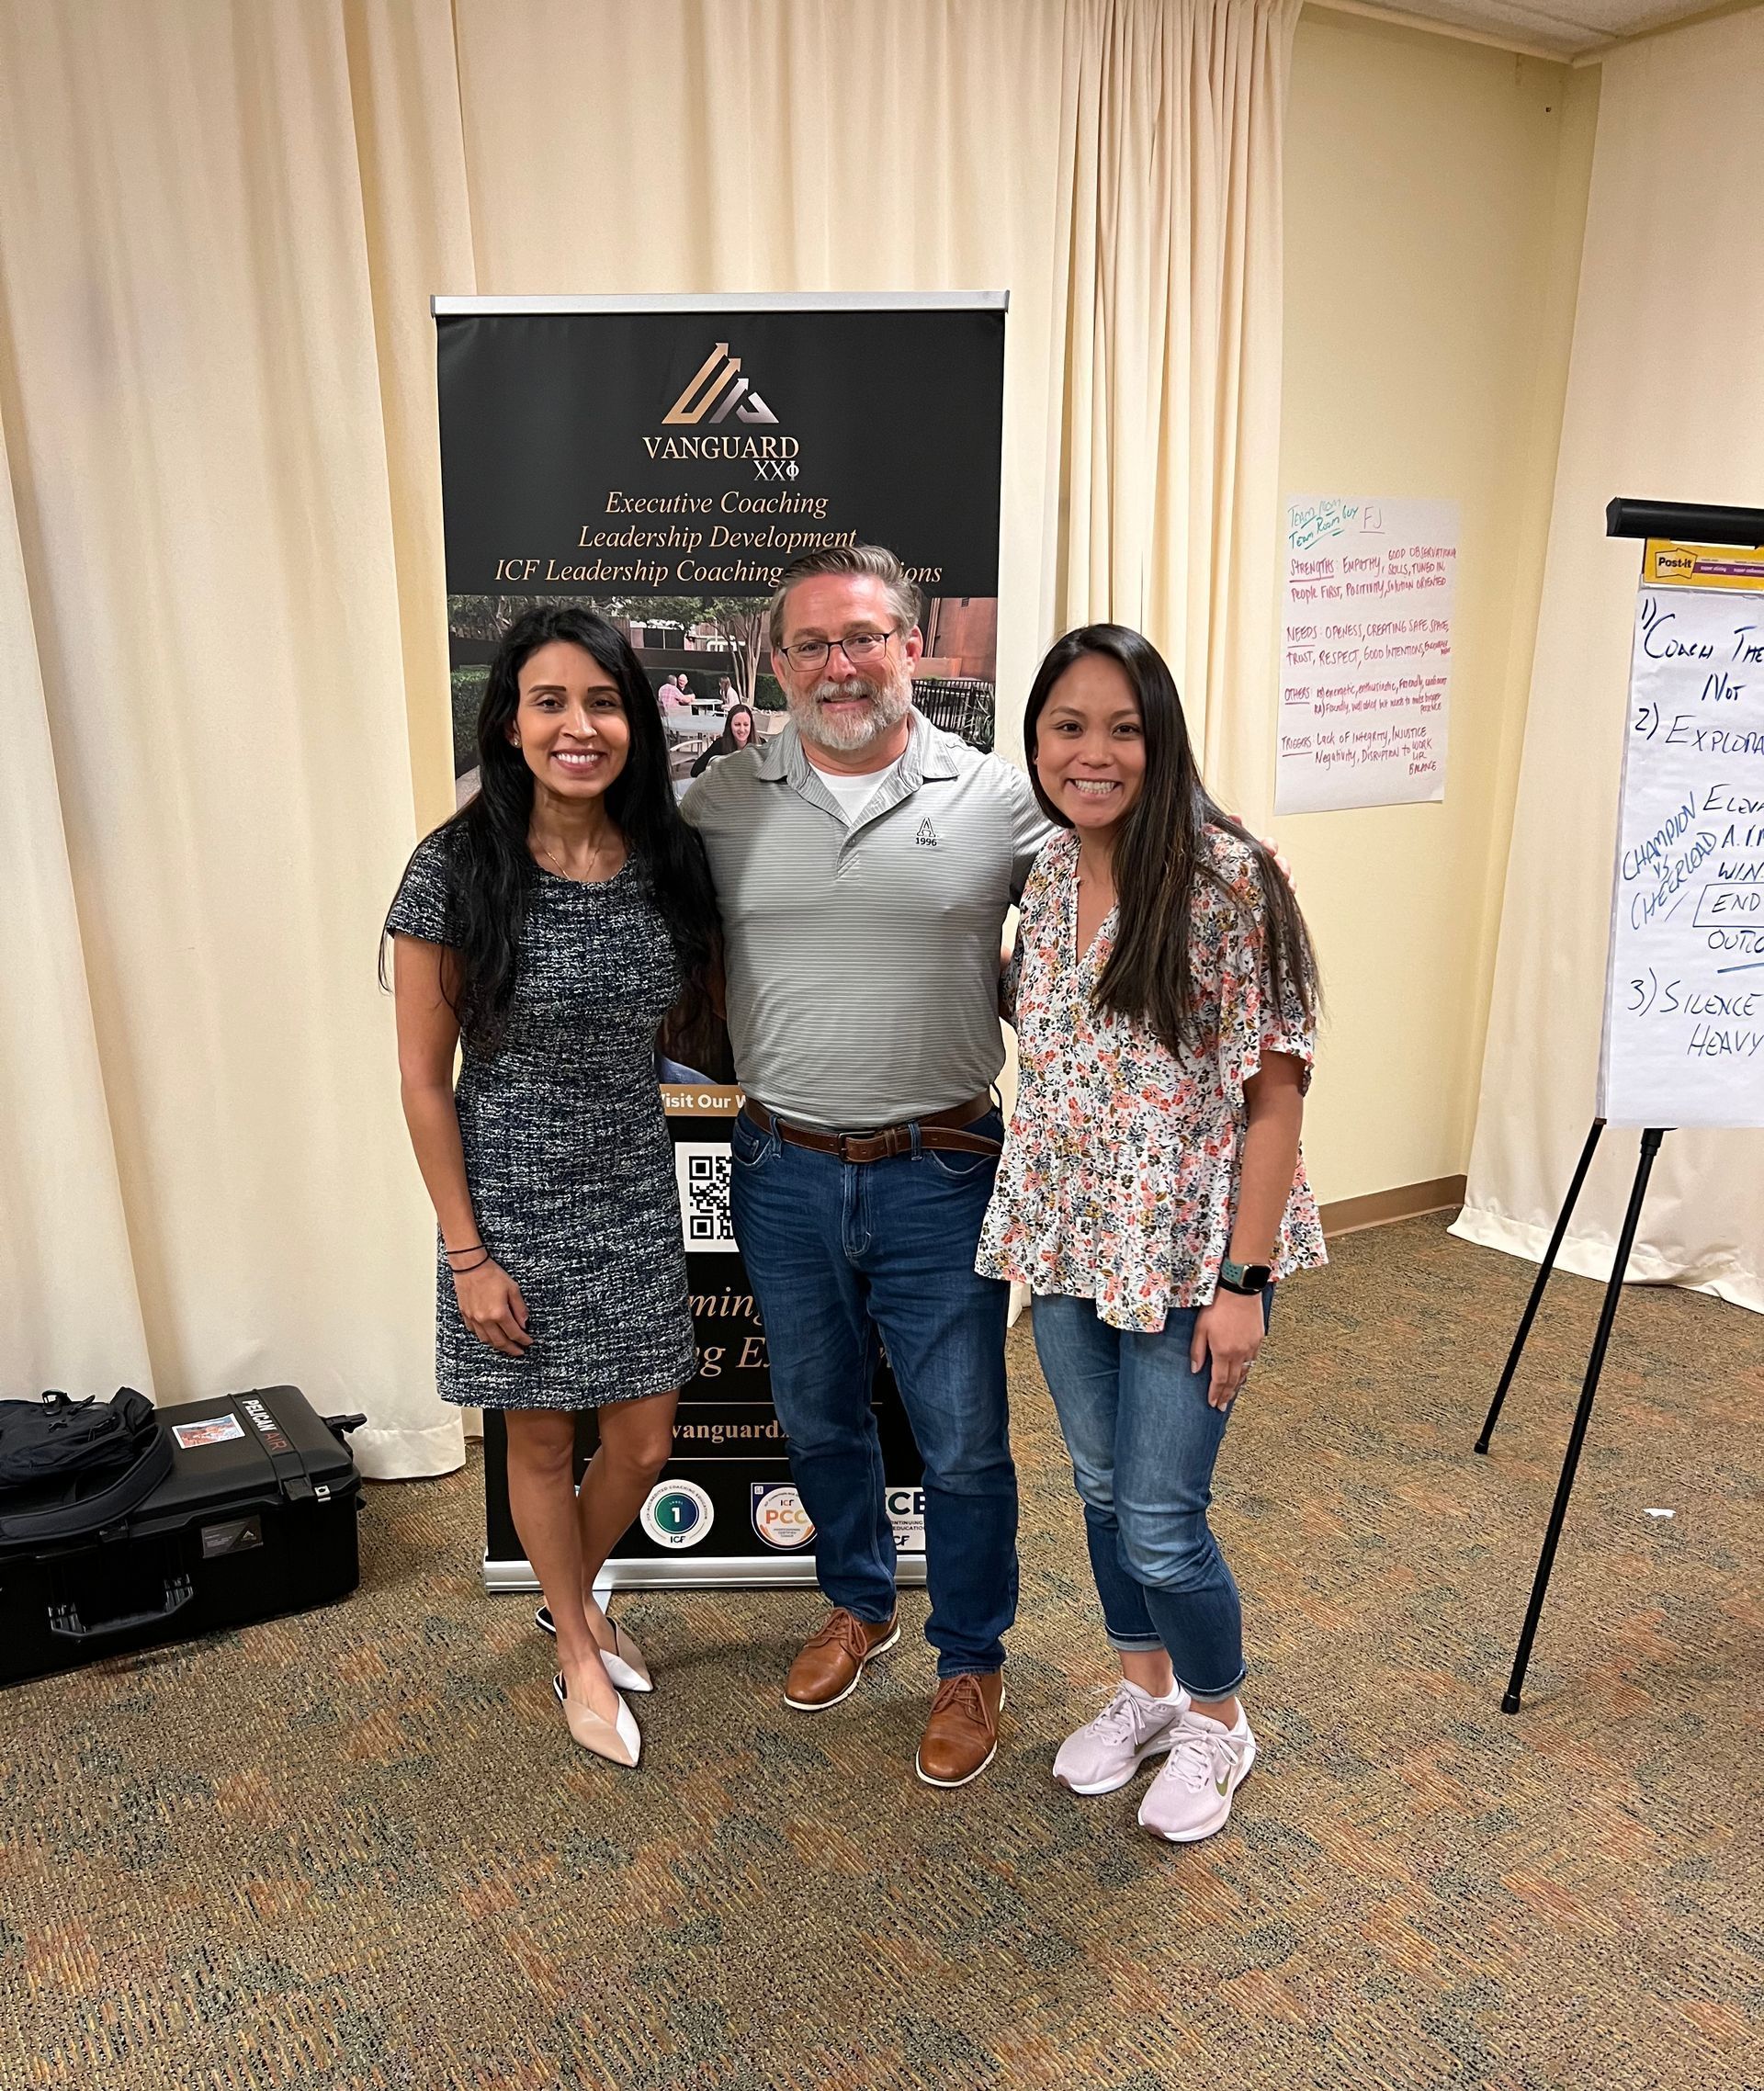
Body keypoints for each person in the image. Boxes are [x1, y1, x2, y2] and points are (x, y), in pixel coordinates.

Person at [682, 545, 1048, 1788]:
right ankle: (858, 1601)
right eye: (812, 646)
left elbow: (1104, 900)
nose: (841, 667)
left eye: (864, 639)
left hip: (940, 1166)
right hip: (780, 1163)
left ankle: (972, 1658)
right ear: (775, 664)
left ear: (908, 648)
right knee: (820, 1413)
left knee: (962, 1438)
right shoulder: (724, 801)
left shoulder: (997, 798)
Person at [977, 624, 1324, 1842]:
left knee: (1166, 1522)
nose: (1094, 751)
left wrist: (1246, 1280)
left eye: (1123, 726)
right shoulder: (1049, 877)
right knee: (1102, 1484)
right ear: (1036, 740)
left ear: (1161, 737)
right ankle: (1147, 1694)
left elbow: (1277, 1091)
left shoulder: (1232, 878)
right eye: (1068, 725)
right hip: (1069, 1237)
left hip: (1189, 1250)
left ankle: (1222, 1724)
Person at [385, 605, 720, 1769]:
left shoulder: (667, 858)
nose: (580, 726)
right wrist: (468, 1253)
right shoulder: (453, 867)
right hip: (511, 1199)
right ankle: (578, 1641)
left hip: (631, 1183)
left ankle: (560, 1596)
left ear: (635, 720)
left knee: (641, 1441)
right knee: (536, 1444)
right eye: (550, 701)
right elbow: (426, 1085)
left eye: (604, 701)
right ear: (511, 722)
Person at [688, 702, 756, 776]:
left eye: (746, 725)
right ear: (729, 725)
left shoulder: (761, 744)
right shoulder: (720, 745)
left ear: (751, 726)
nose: (742, 729)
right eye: (737, 724)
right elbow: (695, 771)